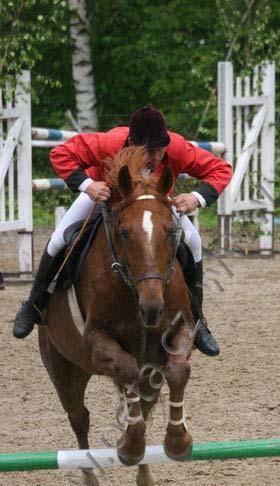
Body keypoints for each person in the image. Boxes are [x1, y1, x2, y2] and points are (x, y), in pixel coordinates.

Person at [13, 107, 232, 356]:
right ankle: (34, 305)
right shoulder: (110, 143)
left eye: (159, 150)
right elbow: (60, 153)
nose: (155, 157)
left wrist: (196, 197)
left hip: (155, 204)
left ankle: (198, 322)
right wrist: (88, 185)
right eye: (147, 151)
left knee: (193, 241)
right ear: (132, 143)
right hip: (106, 196)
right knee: (58, 239)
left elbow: (221, 169)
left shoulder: (177, 147)